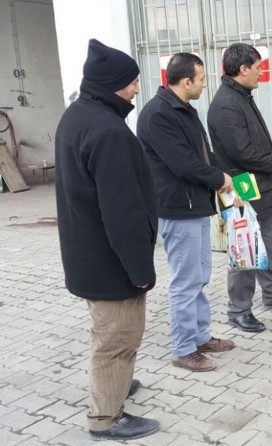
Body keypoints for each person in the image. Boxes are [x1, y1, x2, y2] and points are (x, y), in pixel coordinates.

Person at [55, 39, 159, 441]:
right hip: (111, 262)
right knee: (116, 340)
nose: (136, 89)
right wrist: (140, 271)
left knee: (108, 333)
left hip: (87, 254)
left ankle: (118, 383)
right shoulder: (109, 132)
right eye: (132, 82)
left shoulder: (77, 115)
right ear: (113, 84)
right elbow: (123, 213)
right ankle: (106, 418)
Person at [137, 53, 236, 372]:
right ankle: (183, 348)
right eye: (202, 79)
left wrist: (229, 178)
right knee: (185, 281)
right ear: (185, 81)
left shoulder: (184, 109)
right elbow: (183, 163)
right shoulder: (158, 114)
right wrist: (219, 180)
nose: (205, 84)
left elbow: (203, 156)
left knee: (200, 276)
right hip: (178, 209)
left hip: (196, 205)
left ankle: (199, 336)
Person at [207, 43, 272, 333]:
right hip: (238, 187)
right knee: (245, 249)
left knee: (267, 242)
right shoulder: (226, 104)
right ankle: (238, 310)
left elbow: (260, 138)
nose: (261, 72)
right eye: (258, 67)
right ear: (243, 69)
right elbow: (243, 151)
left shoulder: (241, 96)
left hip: (255, 184)